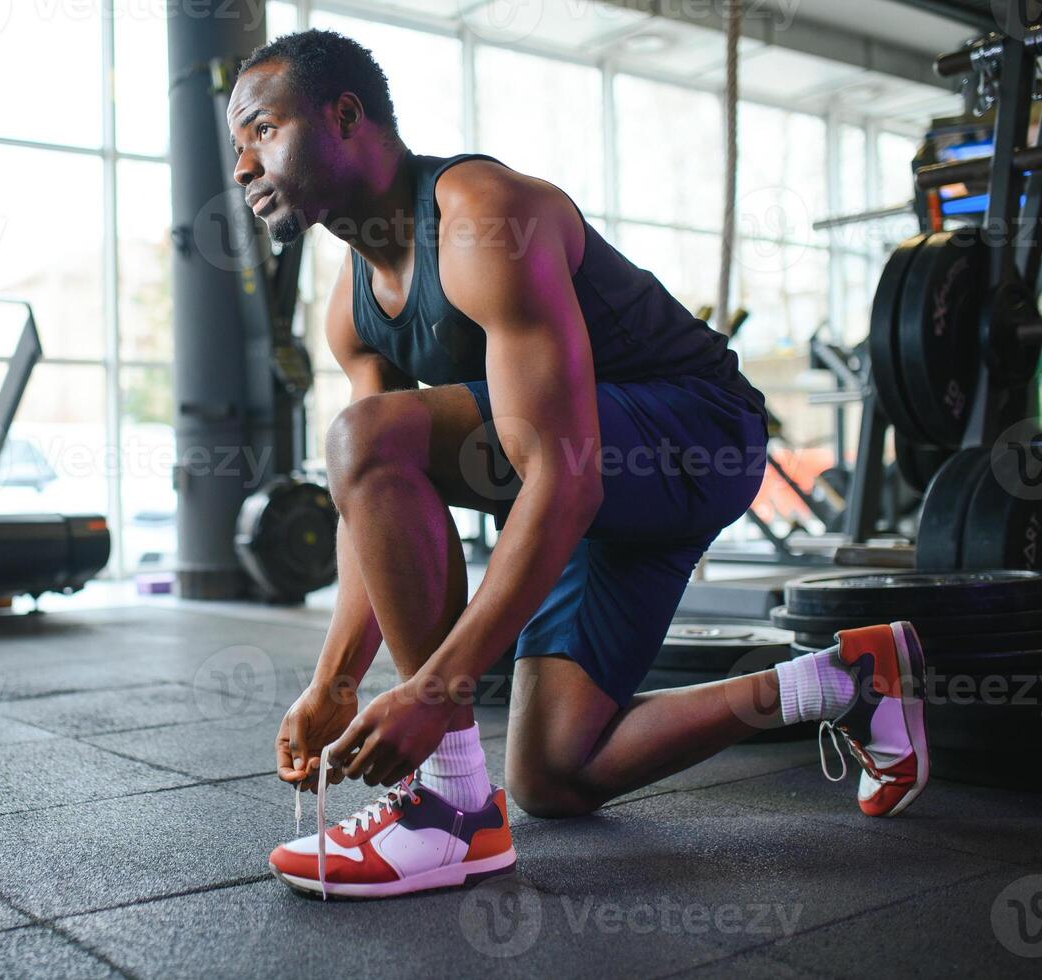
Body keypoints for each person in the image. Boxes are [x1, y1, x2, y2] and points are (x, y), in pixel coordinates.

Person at [225, 29, 929, 900]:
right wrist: (332, 681)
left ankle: (447, 810)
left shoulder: (483, 215)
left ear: (343, 116)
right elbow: (368, 500)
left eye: (259, 129)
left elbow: (560, 475)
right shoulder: (353, 307)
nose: (243, 165)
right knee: (554, 773)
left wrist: (439, 692)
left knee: (367, 431)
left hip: (692, 438)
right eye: (235, 147)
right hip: (594, 483)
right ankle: (848, 678)